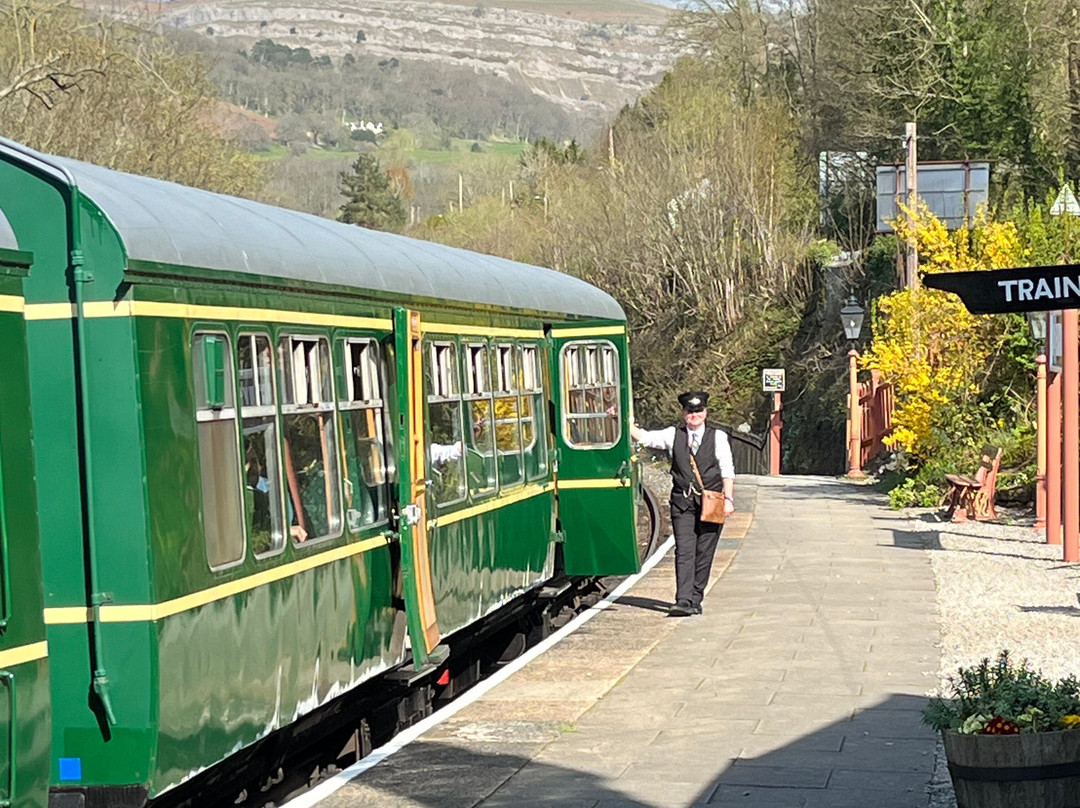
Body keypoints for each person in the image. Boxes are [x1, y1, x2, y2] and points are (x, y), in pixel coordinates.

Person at [630, 391, 735, 616]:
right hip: (682, 502)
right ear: (683, 413)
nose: (694, 415)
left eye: (698, 411)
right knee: (684, 550)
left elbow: (727, 470)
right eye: (690, 411)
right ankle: (683, 599)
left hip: (711, 502)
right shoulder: (672, 434)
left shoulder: (718, 437)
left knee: (705, 551)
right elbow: (646, 438)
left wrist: (728, 499)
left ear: (705, 412)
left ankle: (696, 597)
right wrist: (621, 421)